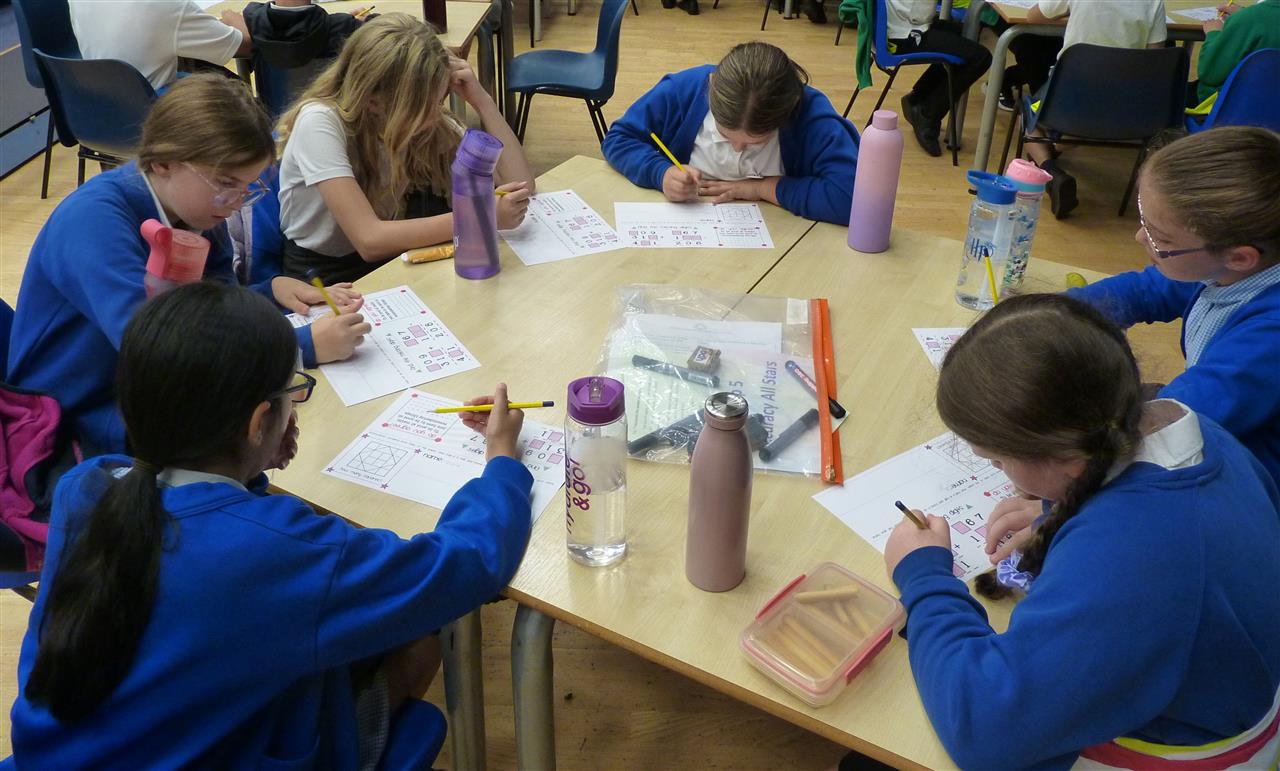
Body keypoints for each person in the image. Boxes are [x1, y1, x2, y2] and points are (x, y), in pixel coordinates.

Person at [8, 282, 533, 768]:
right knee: (420, 634)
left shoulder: (88, 484)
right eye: (294, 391)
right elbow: (465, 564)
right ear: (260, 422)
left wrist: (249, 465)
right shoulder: (275, 549)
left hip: (53, 756)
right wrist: (502, 462)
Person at [882, 293, 1280, 769]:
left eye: (997, 460)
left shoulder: (1128, 555)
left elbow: (984, 729)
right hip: (1227, 697)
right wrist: (1061, 509)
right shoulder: (1194, 429)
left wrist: (924, 578)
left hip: (1184, 751)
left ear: (1069, 460)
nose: (999, 472)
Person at [6, 74, 368, 458]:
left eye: (248, 187)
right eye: (226, 183)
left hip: (153, 399)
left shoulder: (197, 211)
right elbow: (160, 349)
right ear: (163, 162)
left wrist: (269, 291)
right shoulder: (93, 222)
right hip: (74, 425)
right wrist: (301, 347)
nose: (236, 203)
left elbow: (214, 311)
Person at [1062, 126, 1280, 490]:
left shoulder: (1269, 337)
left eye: (1159, 238)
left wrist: (1063, 495)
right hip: (1213, 425)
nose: (1139, 237)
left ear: (1240, 257)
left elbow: (1176, 422)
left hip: (1252, 483)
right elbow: (1145, 291)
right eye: (1142, 218)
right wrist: (1047, 315)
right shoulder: (1226, 267)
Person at [275, 13, 535, 284]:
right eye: (425, 105)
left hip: (387, 257)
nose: (436, 115)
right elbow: (369, 240)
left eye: (439, 101)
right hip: (323, 275)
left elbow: (521, 186)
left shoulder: (413, 119)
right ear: (374, 101)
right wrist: (480, 215)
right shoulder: (319, 122)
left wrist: (481, 100)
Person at [602, 41, 860, 225]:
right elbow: (619, 138)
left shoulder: (812, 116)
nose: (737, 149)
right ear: (711, 87)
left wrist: (762, 188)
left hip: (783, 236)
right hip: (692, 227)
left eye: (756, 142)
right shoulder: (683, 90)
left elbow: (852, 200)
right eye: (725, 136)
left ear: (790, 111)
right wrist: (660, 173)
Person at [1020, 0, 1168, 217]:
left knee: (1028, 111)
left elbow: (1033, 17)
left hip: (1069, 95)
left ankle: (1051, 170)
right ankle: (1053, 152)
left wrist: (1073, 16)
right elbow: (1154, 56)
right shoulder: (1154, 2)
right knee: (1086, 119)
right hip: (1124, 107)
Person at [884, 0, 992, 157]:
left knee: (965, 35)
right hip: (907, 33)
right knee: (980, 58)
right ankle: (928, 114)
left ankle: (918, 98)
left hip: (902, 23)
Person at [69, 0, 251, 90]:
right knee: (241, 98)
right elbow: (246, 45)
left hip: (103, 108)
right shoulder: (166, 5)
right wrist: (234, 18)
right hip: (154, 118)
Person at [1190, 0, 1280, 107]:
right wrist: (1244, 14)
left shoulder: (1247, 19)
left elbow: (1209, 73)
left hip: (1232, 107)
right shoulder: (1249, 17)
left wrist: (1213, 34)